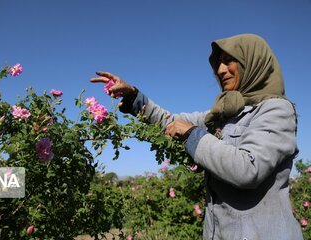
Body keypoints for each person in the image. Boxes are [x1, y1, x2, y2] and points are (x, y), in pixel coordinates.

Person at [90, 33, 303, 240]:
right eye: (218, 63)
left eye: (229, 61)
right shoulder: (222, 115)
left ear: (252, 62)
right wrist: (134, 96)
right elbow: (171, 121)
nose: (220, 70)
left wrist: (192, 134)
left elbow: (248, 169)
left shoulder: (277, 110)